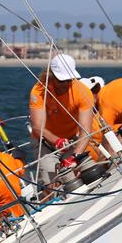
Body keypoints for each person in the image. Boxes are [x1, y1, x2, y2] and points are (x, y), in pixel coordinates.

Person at [29, 54, 98, 183]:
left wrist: (74, 156)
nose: (66, 83)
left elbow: (86, 130)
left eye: (69, 79)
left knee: (90, 173)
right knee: (49, 181)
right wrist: (57, 141)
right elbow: (38, 127)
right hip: (44, 143)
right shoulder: (38, 91)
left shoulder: (82, 92)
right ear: (51, 76)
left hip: (71, 141)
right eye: (62, 80)